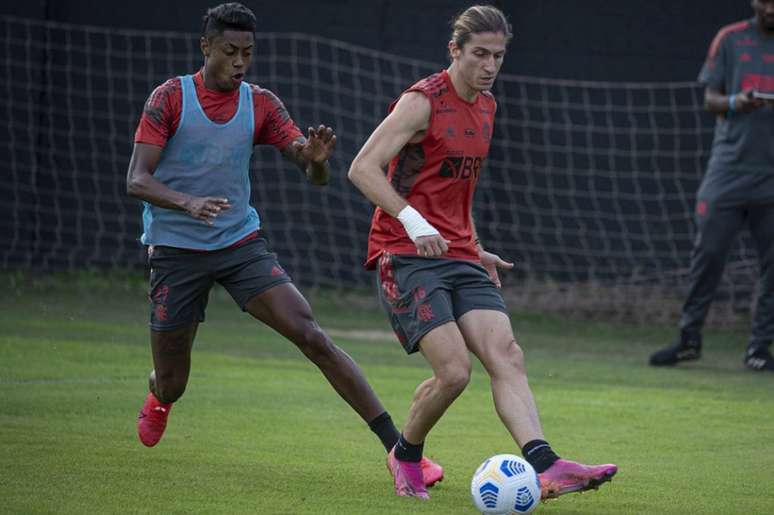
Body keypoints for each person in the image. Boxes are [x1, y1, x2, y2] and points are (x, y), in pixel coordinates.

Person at [126, 2, 443, 485]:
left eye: (247, 53)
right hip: (175, 251)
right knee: (174, 381)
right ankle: (159, 395)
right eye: (229, 51)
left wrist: (315, 160)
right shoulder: (169, 98)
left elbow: (312, 172)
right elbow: (138, 179)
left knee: (312, 335)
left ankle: (400, 451)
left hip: (239, 245)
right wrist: (187, 203)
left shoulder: (261, 103)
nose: (239, 62)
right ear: (205, 46)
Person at [348, 4, 617, 501]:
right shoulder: (421, 101)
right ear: (454, 50)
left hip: (460, 254)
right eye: (479, 55)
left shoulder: (488, 106)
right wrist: (414, 221)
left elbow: (455, 189)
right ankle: (405, 455)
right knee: (454, 372)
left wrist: (475, 245)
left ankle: (546, 464)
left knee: (507, 355)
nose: (490, 66)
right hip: (403, 253)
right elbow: (362, 168)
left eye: (498, 55)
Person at [649, 0, 774, 372]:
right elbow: (710, 99)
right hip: (729, 170)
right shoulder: (731, 39)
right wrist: (738, 101)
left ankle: (758, 349)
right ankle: (689, 340)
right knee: (708, 256)